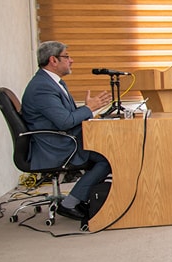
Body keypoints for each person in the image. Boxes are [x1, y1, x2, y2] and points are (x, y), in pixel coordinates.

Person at [20, 41, 112, 221]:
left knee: (107, 152)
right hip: (56, 146)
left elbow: (66, 116)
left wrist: (88, 110)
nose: (72, 60)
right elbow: (65, 122)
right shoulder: (42, 87)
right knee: (108, 158)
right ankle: (71, 203)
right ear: (53, 60)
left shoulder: (52, 82)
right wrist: (89, 108)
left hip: (62, 139)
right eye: (67, 56)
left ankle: (85, 197)